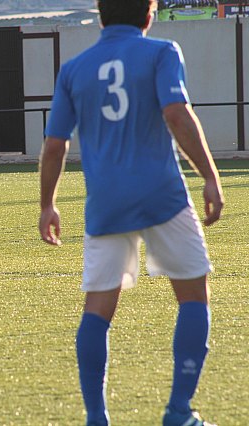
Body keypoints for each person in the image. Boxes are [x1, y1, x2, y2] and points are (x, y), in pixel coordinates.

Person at [38, 1, 223, 425]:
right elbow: (176, 114)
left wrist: (47, 204)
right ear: (149, 15)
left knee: (98, 308)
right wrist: (210, 175)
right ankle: (178, 412)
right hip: (163, 195)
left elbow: (54, 145)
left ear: (102, 16)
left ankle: (96, 418)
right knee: (193, 297)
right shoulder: (162, 52)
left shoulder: (73, 69)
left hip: (106, 202)